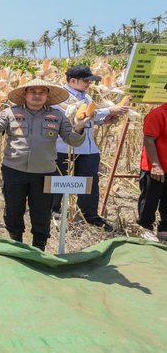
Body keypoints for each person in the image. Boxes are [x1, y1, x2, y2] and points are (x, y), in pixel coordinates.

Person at [0, 79, 90, 251]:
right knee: (13, 209)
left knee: (42, 212)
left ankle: (39, 247)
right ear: (25, 94)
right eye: (33, 92)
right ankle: (16, 243)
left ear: (47, 96)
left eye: (42, 92)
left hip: (44, 172)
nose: (37, 95)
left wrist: (79, 127)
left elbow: (73, 140)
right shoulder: (10, 113)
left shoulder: (57, 116)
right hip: (13, 170)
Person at [51, 65, 128, 231]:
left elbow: (87, 118)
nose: (89, 84)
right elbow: (74, 116)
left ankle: (90, 215)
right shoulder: (61, 97)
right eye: (86, 81)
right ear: (73, 81)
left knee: (90, 182)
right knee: (59, 179)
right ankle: (53, 211)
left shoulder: (86, 96)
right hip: (64, 146)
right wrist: (108, 110)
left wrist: (103, 120)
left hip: (88, 148)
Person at [137, 81, 167, 241]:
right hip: (155, 166)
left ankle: (164, 229)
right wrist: (155, 165)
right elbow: (149, 140)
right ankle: (145, 227)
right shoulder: (157, 114)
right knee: (150, 198)